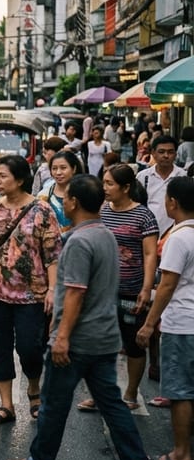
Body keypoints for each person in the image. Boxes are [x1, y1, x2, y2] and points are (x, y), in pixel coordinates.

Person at [4, 174, 158, 460]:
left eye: (67, 198)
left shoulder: (79, 242)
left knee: (53, 403)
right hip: (104, 337)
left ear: (73, 202)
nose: (64, 202)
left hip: (78, 341)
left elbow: (75, 293)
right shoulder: (105, 234)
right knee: (113, 406)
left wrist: (61, 336)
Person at [0, 155, 62, 424]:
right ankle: (6, 405)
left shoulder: (42, 211)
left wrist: (54, 289)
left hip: (32, 295)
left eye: (3, 176)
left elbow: (53, 255)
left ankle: (34, 388)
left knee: (30, 348)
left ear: (20, 180)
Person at [74, 163, 158, 412]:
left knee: (133, 344)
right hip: (100, 291)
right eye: (104, 182)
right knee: (98, 343)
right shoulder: (101, 211)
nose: (105, 188)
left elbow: (150, 254)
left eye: (110, 183)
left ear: (126, 187)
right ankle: (98, 393)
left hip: (131, 290)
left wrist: (146, 288)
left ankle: (131, 394)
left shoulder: (143, 215)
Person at [135, 176, 194, 460]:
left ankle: (182, 454)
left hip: (183, 323)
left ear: (172, 202)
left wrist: (148, 323)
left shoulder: (179, 238)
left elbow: (168, 284)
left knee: (181, 391)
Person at [138, 135, 186, 235]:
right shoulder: (143, 177)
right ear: (153, 153)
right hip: (148, 232)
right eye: (161, 152)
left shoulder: (183, 177)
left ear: (175, 154)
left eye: (170, 152)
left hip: (176, 233)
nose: (166, 155)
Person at [39, 150, 81, 233]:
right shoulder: (43, 196)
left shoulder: (84, 193)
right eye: (54, 168)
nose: (58, 172)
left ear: (74, 169)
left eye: (63, 168)